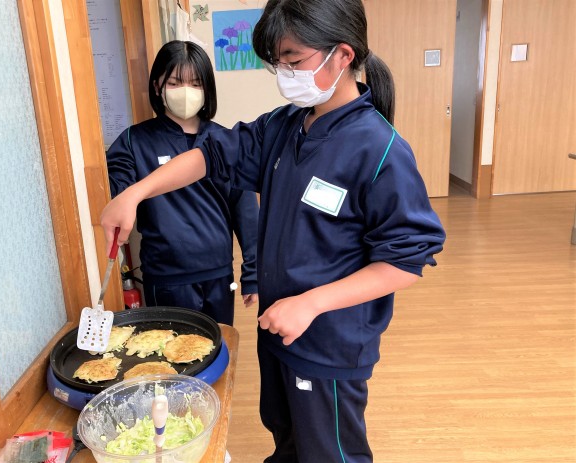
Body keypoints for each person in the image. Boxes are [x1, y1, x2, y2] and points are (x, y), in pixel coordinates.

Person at [101, 1, 446, 461]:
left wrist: (312, 303)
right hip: (278, 330)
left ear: (343, 55)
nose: (285, 73)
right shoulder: (285, 125)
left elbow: (405, 259)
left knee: (329, 451)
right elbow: (210, 156)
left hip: (326, 345)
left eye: (293, 59)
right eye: (278, 62)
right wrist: (135, 193)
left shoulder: (379, 149)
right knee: (286, 437)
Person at [105, 40, 259, 325]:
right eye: (175, 83)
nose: (186, 92)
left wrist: (253, 272)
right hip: (165, 276)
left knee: (218, 345)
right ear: (157, 86)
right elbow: (116, 192)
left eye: (195, 84)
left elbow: (246, 210)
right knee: (170, 351)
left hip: (218, 272)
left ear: (207, 89)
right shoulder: (133, 141)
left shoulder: (224, 141)